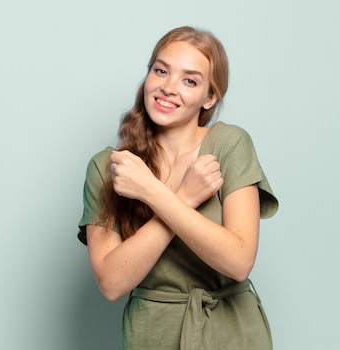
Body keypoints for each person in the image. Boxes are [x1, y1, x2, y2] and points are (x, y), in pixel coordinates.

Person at [77, 26, 279, 350]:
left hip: (232, 332)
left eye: (189, 80)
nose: (168, 88)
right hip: (152, 332)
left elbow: (239, 262)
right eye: (161, 71)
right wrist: (182, 197)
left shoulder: (229, 145)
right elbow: (112, 283)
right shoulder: (109, 167)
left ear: (209, 97)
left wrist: (151, 191)